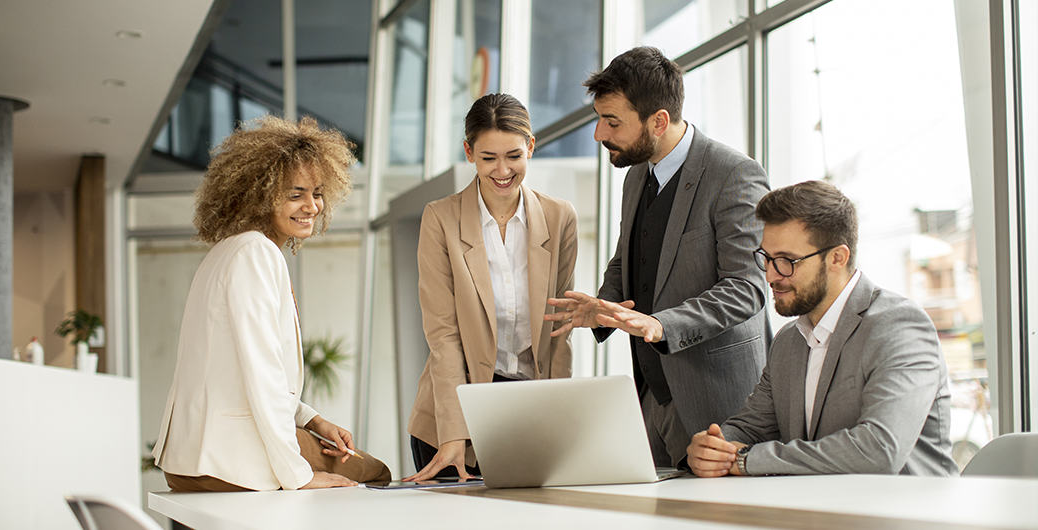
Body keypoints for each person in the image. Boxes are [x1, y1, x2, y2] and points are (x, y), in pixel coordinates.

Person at [546, 46, 770, 467]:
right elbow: (628, 257)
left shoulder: (734, 174)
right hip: (652, 395)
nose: (599, 134)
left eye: (612, 122)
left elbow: (747, 288)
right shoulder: (636, 176)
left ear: (659, 120)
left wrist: (660, 324)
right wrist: (602, 305)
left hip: (719, 401)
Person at [151, 115, 391, 492]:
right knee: (375, 472)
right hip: (229, 460)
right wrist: (300, 476)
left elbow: (237, 371)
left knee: (352, 461)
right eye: (295, 194)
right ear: (259, 194)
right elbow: (262, 373)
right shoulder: (255, 253)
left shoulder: (227, 251)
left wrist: (312, 421)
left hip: (189, 459)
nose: (311, 206)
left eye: (317, 193)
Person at [687, 180, 958, 477]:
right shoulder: (788, 341)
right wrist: (713, 447)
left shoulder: (900, 327)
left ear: (837, 258)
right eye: (766, 258)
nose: (770, 275)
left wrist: (746, 460)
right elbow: (750, 426)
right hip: (820, 512)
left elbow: (879, 451)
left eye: (787, 261)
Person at [404, 93, 578, 481]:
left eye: (514, 156)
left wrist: (560, 420)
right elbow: (443, 335)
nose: (503, 170)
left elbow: (559, 329)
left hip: (529, 410)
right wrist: (454, 433)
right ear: (468, 152)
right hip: (454, 413)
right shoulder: (441, 219)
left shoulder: (559, 217)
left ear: (531, 147)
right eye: (488, 158)